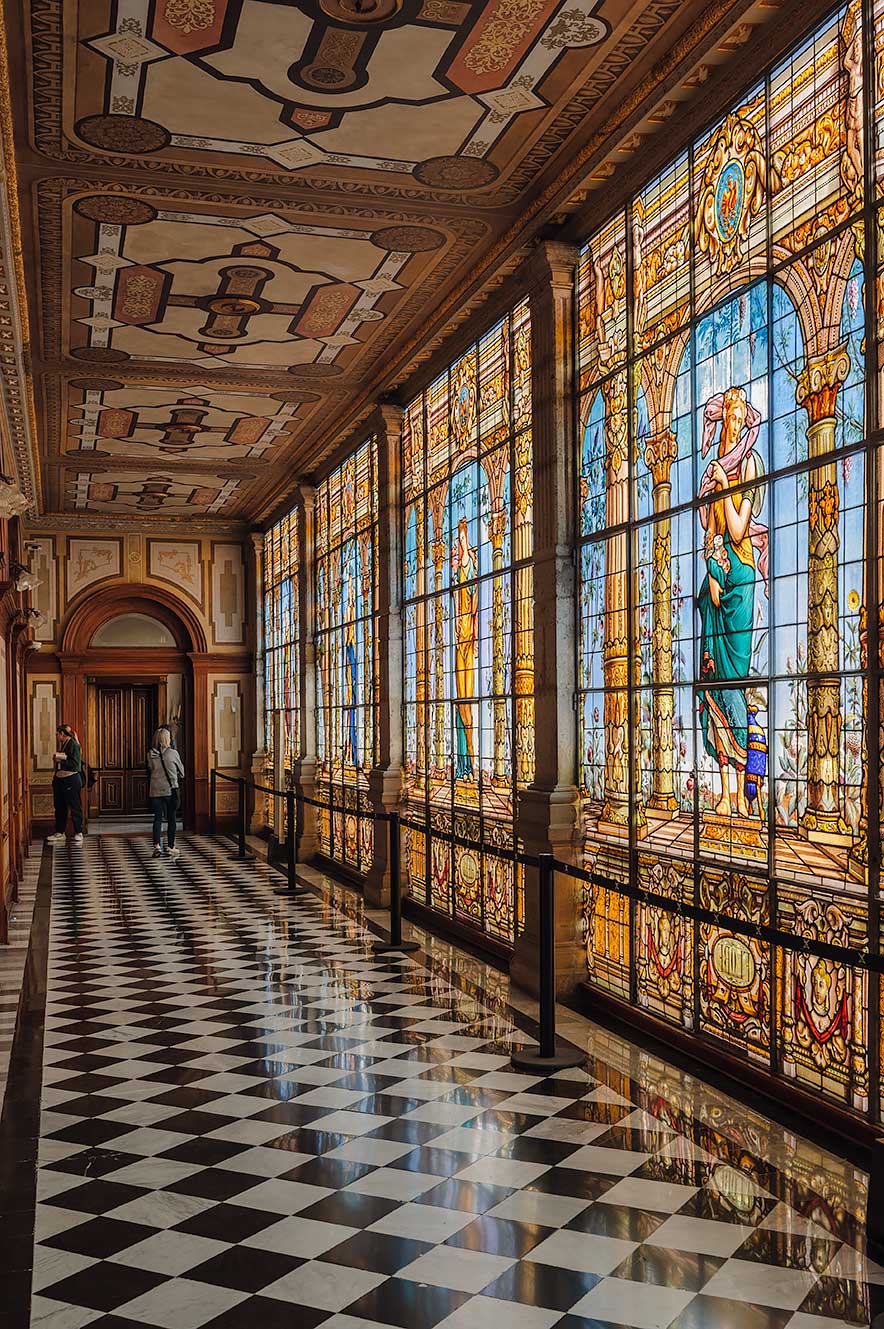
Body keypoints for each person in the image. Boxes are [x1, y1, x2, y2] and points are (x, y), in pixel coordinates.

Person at [696, 386, 768, 818]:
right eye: (730, 413)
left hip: (740, 582)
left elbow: (739, 531)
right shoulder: (713, 470)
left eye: (741, 412)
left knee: (734, 684)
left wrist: (724, 486)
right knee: (713, 689)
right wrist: (709, 569)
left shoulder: (751, 466)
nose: (734, 419)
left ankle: (745, 792)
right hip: (715, 583)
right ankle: (724, 790)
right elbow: (711, 531)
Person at [148, 726, 185, 858]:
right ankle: (171, 846)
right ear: (167, 739)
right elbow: (182, 772)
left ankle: (157, 845)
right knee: (172, 818)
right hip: (170, 790)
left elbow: (151, 769)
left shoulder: (150, 755)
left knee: (157, 819)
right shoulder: (173, 754)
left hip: (155, 790)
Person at [48, 724, 84, 844]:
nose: (57, 736)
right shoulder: (64, 744)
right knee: (60, 807)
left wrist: (60, 760)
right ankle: (60, 832)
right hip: (61, 780)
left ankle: (79, 832)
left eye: (58, 734)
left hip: (71, 779)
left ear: (62, 734)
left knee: (75, 807)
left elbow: (75, 764)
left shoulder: (73, 744)